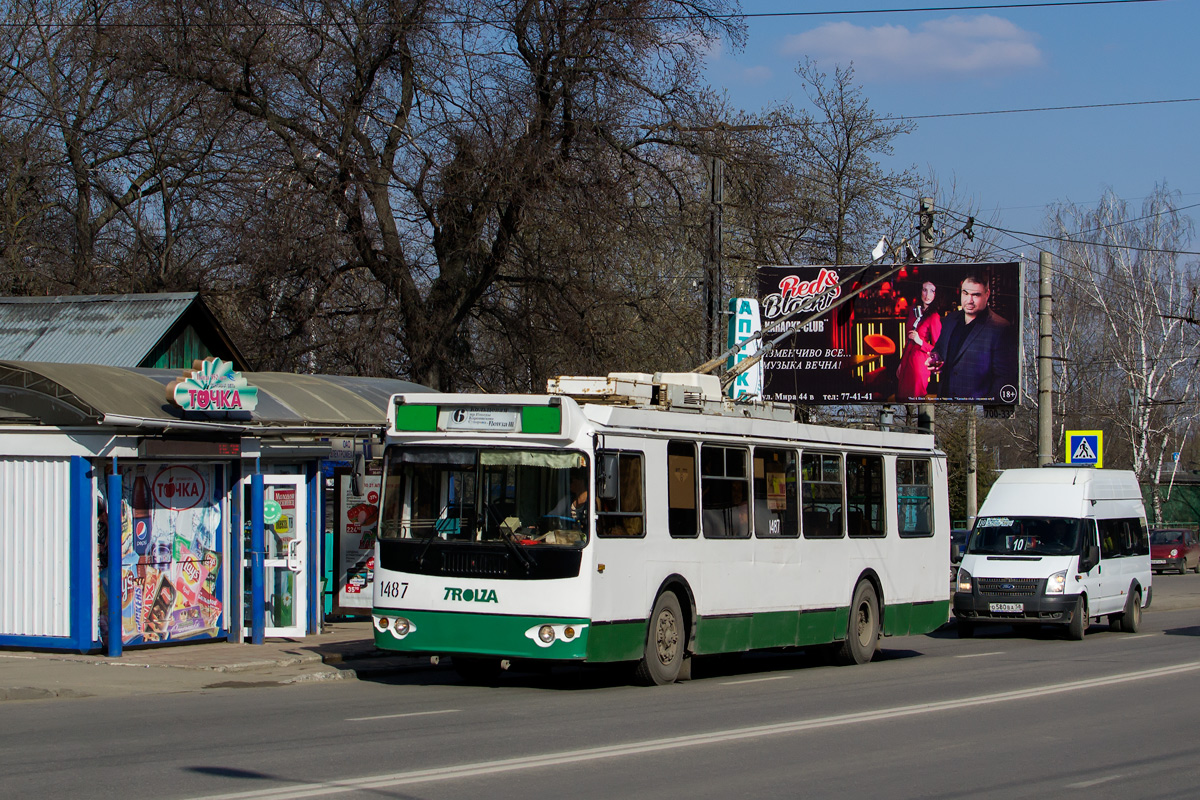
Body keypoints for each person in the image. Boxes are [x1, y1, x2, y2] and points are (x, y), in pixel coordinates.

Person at [927, 274, 1018, 400]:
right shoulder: (950, 320)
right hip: (945, 402)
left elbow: (1004, 379)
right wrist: (935, 357)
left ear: (987, 294)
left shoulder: (1000, 328)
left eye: (976, 295)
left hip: (975, 407)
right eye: (965, 293)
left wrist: (982, 406)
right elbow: (939, 349)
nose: (969, 300)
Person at [896, 280, 941, 401]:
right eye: (925, 290)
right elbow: (907, 339)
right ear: (920, 291)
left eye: (931, 291)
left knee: (915, 400)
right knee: (902, 399)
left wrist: (919, 341)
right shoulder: (913, 311)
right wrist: (901, 362)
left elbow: (938, 349)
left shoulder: (934, 317)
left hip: (919, 363)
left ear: (935, 294)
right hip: (906, 359)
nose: (927, 295)